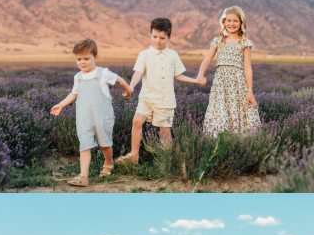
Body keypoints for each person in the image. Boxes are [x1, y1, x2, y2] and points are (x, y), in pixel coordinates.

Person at [117, 17, 203, 166]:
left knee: (165, 132)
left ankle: (167, 161)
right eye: (155, 37)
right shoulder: (144, 54)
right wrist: (131, 86)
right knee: (137, 121)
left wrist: (195, 80)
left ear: (169, 37)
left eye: (162, 38)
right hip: (147, 97)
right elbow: (138, 72)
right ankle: (134, 155)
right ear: (150, 34)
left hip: (165, 99)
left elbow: (177, 75)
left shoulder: (173, 55)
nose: (158, 40)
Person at [50, 38, 132, 187]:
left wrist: (128, 91)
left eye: (86, 59)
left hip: (103, 116)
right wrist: (61, 105)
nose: (82, 62)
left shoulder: (103, 73)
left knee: (104, 144)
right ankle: (83, 176)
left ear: (96, 57)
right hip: (84, 118)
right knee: (85, 145)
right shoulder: (78, 77)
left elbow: (119, 80)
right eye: (79, 59)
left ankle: (108, 164)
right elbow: (74, 94)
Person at [195, 6, 261, 136]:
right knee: (219, 110)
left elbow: (248, 68)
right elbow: (207, 60)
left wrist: (250, 91)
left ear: (241, 23)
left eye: (235, 21)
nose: (232, 24)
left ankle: (238, 141)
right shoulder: (218, 41)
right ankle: (218, 140)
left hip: (238, 83)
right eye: (229, 20)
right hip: (220, 83)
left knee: (237, 111)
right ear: (224, 22)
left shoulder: (244, 43)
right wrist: (200, 74)